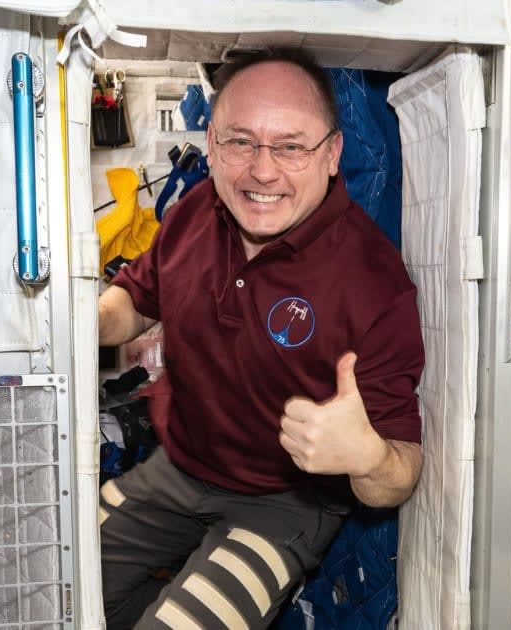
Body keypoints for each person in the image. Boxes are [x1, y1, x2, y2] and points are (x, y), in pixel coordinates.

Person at [97, 47, 426, 630]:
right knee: (46, 581)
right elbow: (132, 301)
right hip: (178, 469)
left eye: (291, 146)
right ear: (212, 145)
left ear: (332, 155)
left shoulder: (374, 284)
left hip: (282, 504)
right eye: (240, 141)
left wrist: (367, 454)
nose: (263, 170)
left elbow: (399, 474)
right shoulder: (197, 211)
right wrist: (78, 320)